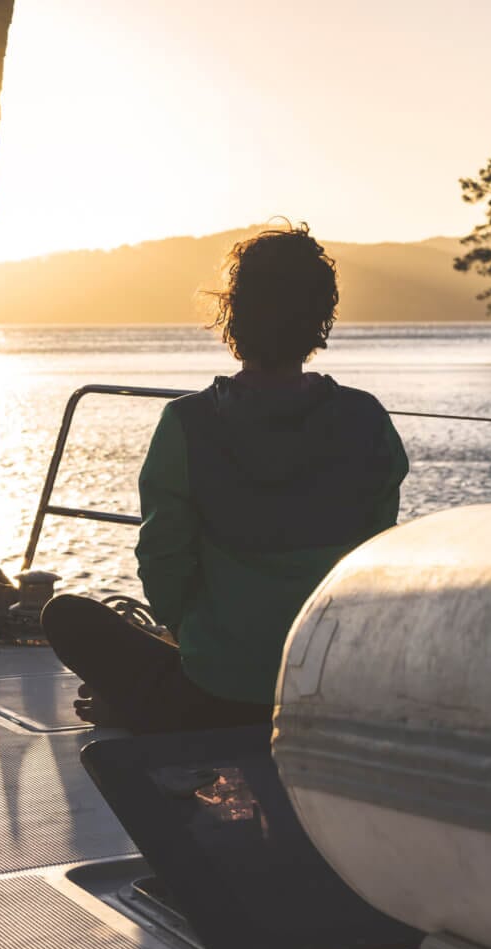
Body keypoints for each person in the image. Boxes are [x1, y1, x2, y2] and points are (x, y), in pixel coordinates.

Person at [44, 221, 408, 733]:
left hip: (217, 693)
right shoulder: (365, 419)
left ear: (233, 314)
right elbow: (379, 561)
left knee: (64, 616)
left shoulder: (188, 425)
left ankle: (142, 707)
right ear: (320, 318)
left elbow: (163, 564)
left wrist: (188, 633)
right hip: (325, 691)